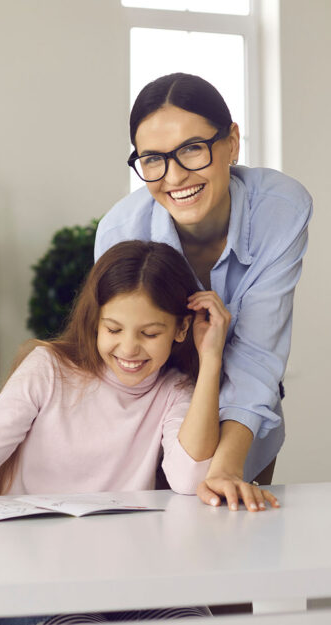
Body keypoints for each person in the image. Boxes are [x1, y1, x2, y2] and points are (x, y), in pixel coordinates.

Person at [0, 241, 276, 623]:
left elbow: (190, 478)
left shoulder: (175, 391)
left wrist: (210, 358)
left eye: (150, 333)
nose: (129, 348)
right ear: (95, 321)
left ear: (180, 329)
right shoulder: (48, 369)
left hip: (128, 575)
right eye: (114, 328)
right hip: (28, 575)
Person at [95, 73, 312, 510]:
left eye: (193, 149)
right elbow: (124, 358)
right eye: (153, 158)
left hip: (244, 422)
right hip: (153, 420)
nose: (174, 177)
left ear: (231, 142)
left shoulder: (280, 209)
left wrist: (226, 468)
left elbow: (256, 358)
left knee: (236, 544)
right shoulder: (120, 232)